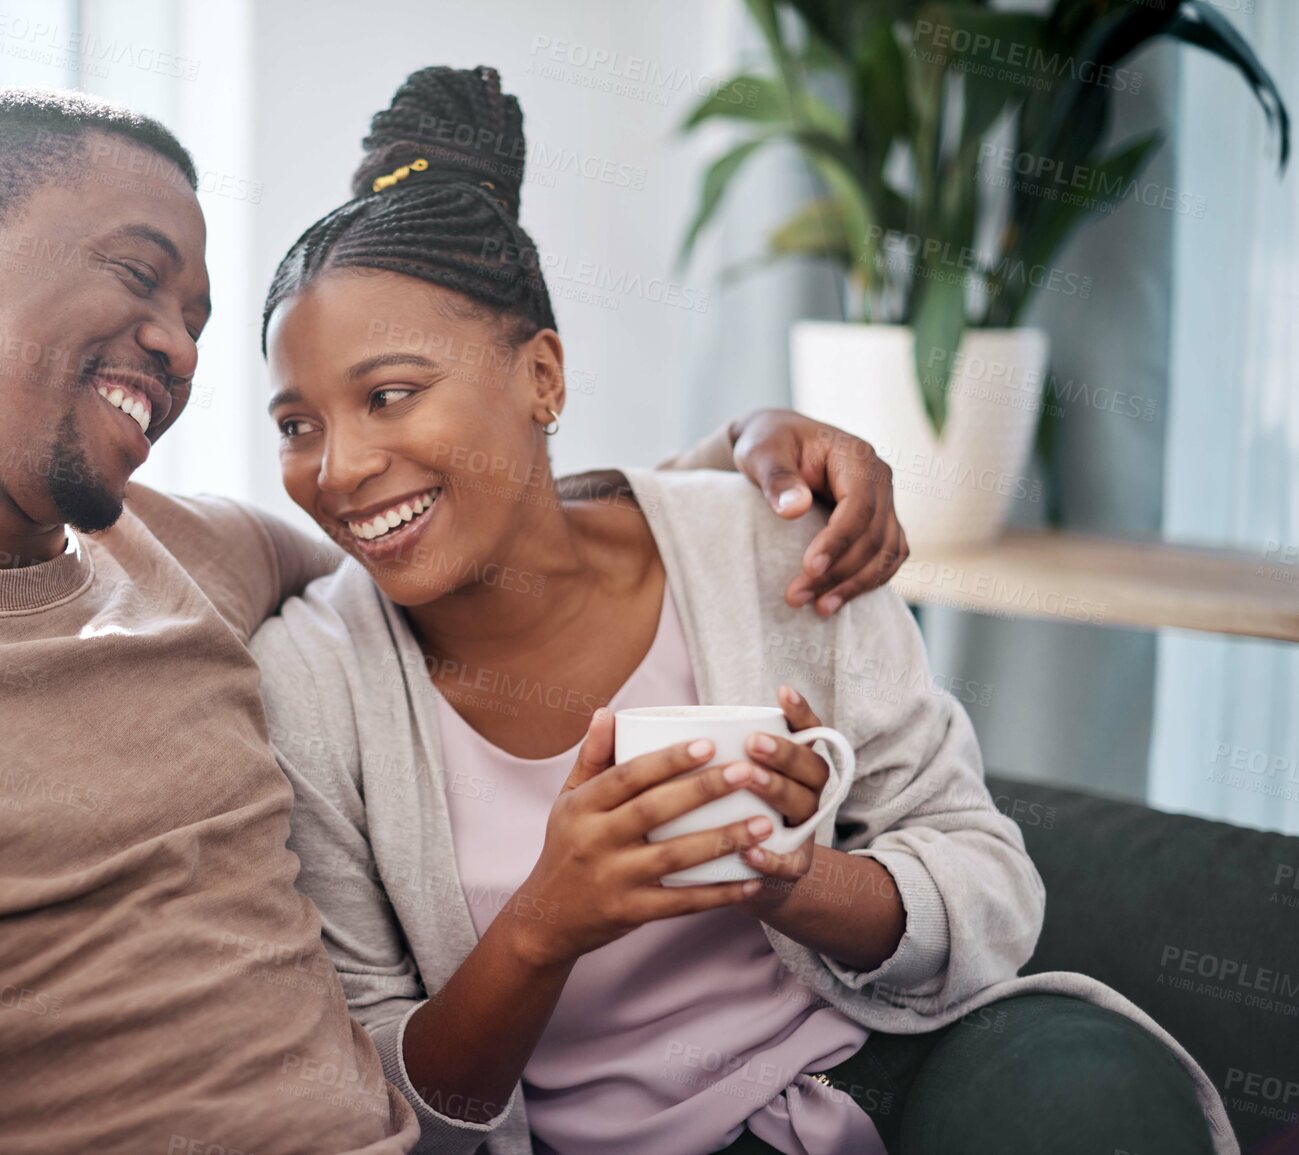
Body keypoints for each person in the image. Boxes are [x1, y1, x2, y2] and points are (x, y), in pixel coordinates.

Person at [0, 89, 908, 1154]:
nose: (176, 346)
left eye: (195, 319)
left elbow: (475, 532)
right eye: (140, 277)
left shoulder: (184, 552)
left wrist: (744, 459)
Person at [248, 66, 1231, 1155]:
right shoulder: (311, 682)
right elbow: (378, 1100)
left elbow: (986, 884)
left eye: (389, 395)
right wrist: (541, 927)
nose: (339, 468)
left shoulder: (764, 541)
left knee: (1088, 1095)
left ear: (543, 378)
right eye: (297, 424)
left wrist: (798, 877)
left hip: (874, 1072)